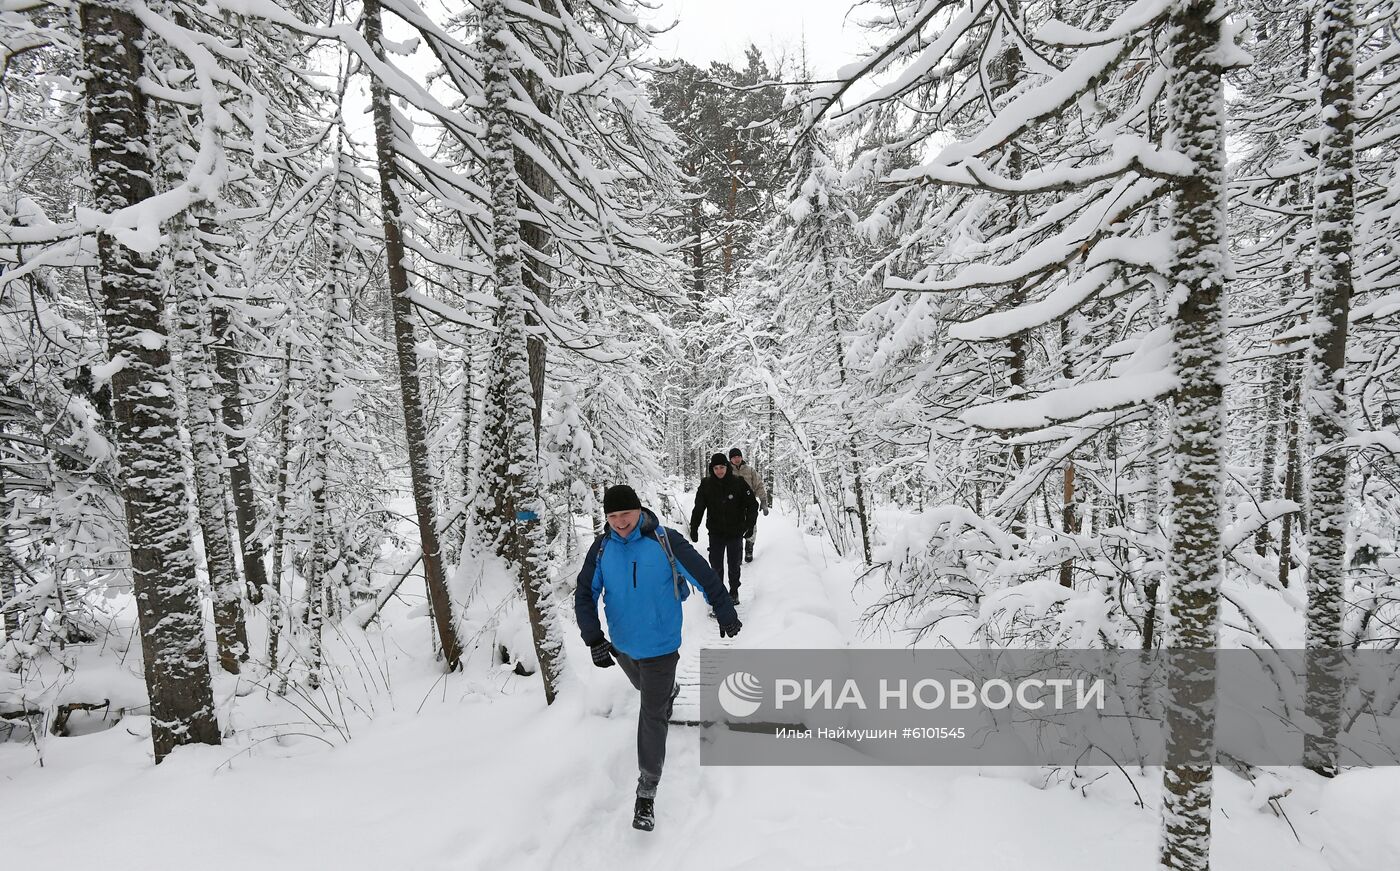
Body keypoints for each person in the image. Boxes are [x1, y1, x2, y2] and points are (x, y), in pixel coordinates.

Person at [575, 484, 741, 832]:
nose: (620, 521)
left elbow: (704, 574)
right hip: (622, 647)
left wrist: (724, 609)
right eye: (613, 515)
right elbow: (584, 594)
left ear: (639, 510)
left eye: (626, 513)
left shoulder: (665, 540)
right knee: (649, 691)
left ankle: (647, 788)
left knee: (651, 712)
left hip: (661, 647)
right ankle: (667, 692)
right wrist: (594, 638)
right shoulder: (602, 548)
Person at [689, 453, 759, 603]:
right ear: (711, 469)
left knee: (734, 565)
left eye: (722, 467)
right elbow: (699, 508)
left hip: (735, 532)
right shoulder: (706, 485)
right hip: (716, 532)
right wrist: (694, 527)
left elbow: (752, 505)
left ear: (727, 467)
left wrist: (750, 525)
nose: (719, 471)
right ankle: (720, 595)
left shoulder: (738, 483)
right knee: (716, 566)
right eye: (716, 468)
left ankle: (734, 592)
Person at [728, 447, 769, 563]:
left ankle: (749, 549)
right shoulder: (727, 471)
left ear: (741, 457)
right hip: (733, 506)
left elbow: (759, 485)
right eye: (734, 457)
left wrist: (764, 501)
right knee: (735, 530)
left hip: (749, 504)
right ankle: (737, 552)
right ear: (730, 459)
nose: (736, 459)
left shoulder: (750, 471)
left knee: (751, 527)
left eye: (738, 457)